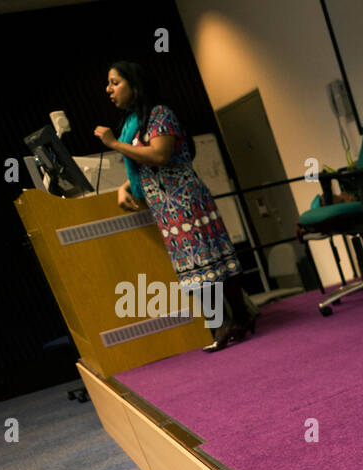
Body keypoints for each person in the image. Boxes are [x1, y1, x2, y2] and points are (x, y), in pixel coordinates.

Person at [94, 61, 254, 352]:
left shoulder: (159, 114)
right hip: (165, 206)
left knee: (207, 261)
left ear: (135, 85)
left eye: (115, 82)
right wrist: (124, 186)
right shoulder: (133, 122)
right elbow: (144, 166)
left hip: (183, 200)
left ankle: (226, 322)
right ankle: (236, 319)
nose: (108, 89)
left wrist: (114, 144)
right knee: (196, 267)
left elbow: (160, 155)